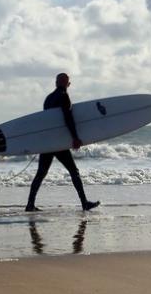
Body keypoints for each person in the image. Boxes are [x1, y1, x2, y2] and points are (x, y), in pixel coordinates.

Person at [26, 73, 100, 212]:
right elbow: (67, 118)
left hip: (48, 142)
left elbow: (49, 121)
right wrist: (75, 137)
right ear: (67, 84)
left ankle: (30, 204)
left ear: (56, 83)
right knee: (74, 171)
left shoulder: (48, 99)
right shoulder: (64, 96)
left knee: (41, 173)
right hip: (58, 143)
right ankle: (84, 203)